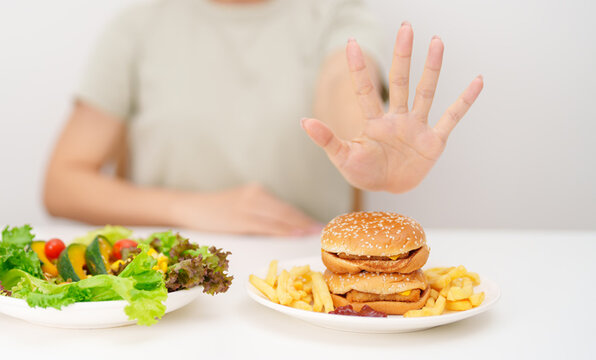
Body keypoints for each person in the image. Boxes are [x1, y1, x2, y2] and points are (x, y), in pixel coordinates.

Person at [42, 0, 483, 236]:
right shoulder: (136, 26)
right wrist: (190, 208)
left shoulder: (334, 11)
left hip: (303, 286)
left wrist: (365, 141)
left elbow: (339, 82)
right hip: (167, 283)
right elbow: (62, 183)